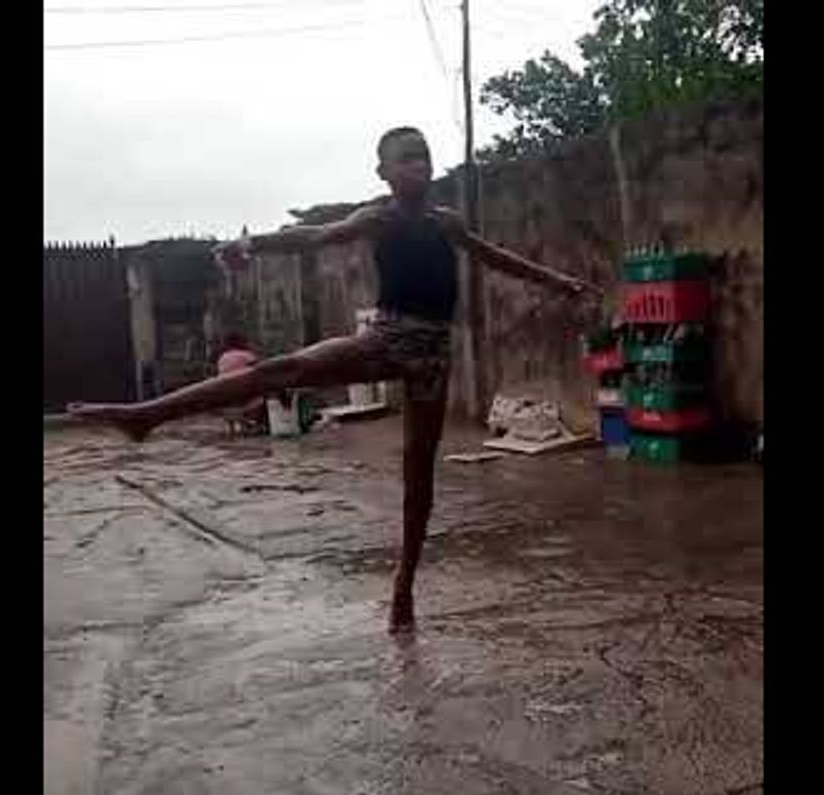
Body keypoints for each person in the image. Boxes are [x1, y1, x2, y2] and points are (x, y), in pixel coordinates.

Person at [69, 126, 600, 633]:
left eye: (424, 155)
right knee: (285, 369)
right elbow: (316, 235)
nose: (420, 164)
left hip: (433, 356)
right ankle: (146, 415)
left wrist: (558, 281)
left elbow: (495, 257)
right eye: (407, 158)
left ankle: (404, 586)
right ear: (384, 172)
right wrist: (252, 246)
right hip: (387, 337)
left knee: (420, 479)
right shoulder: (379, 218)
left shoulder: (447, 222)